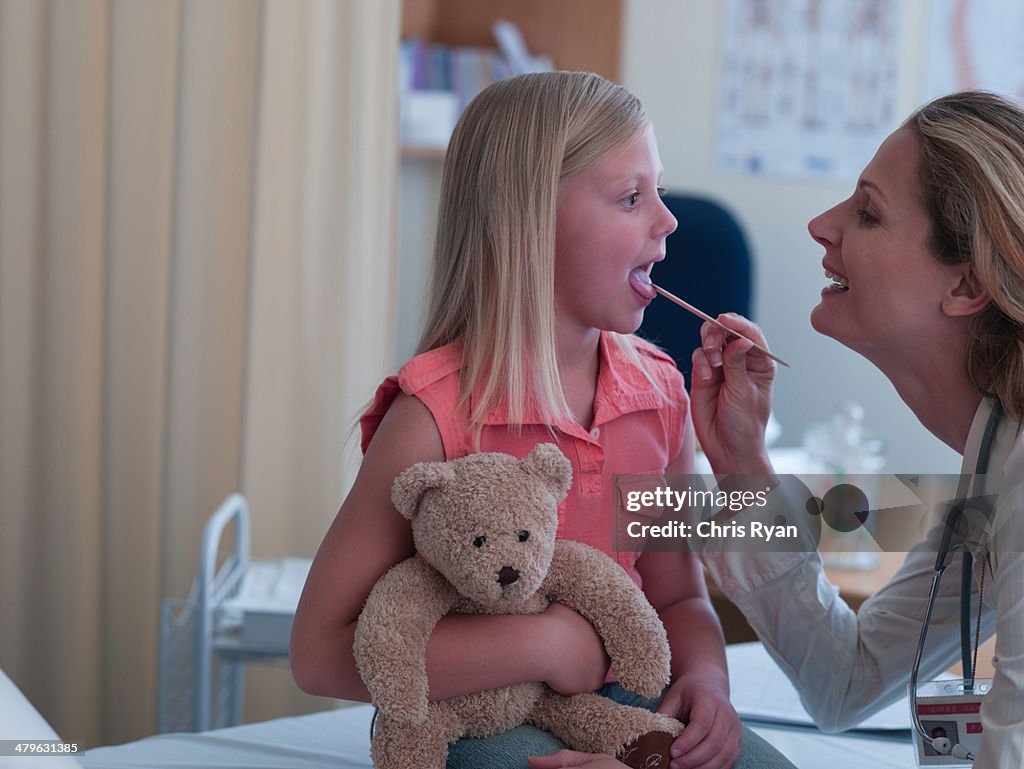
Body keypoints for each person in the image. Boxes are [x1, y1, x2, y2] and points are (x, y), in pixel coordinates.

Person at [289, 71, 795, 769]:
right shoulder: (434, 417)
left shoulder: (659, 397)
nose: (668, 222)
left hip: (620, 702)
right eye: (631, 197)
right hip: (473, 715)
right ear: (530, 223)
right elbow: (318, 653)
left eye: (661, 192)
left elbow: (679, 596)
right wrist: (543, 644)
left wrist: (707, 681)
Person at [686, 89, 1023, 769]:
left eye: (867, 212)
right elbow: (846, 680)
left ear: (964, 286)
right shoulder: (991, 470)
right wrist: (743, 469)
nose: (821, 223)